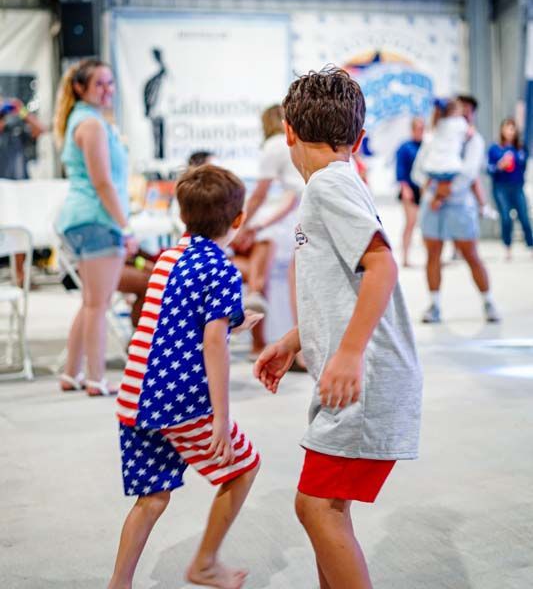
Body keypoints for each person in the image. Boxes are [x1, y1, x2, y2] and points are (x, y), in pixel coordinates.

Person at [254, 68, 422, 589]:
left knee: (316, 508)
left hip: (363, 381)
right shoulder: (343, 180)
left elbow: (382, 266)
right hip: (359, 378)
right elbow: (340, 287)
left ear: (287, 133)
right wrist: (291, 340)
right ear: (361, 138)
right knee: (329, 507)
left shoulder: (327, 185)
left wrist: (348, 354)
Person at [110, 166, 261, 589]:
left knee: (153, 497)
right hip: (179, 399)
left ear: (183, 217)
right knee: (244, 467)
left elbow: (176, 320)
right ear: (237, 220)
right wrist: (219, 418)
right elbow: (212, 344)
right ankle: (206, 563)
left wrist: (231, 323)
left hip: (136, 393)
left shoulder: (169, 258)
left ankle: (118, 584)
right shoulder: (223, 269)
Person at [53, 59, 137, 396]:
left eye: (110, 83)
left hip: (82, 219)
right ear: (80, 87)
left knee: (90, 302)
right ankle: (96, 378)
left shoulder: (83, 121)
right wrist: (125, 227)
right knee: (98, 304)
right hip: (97, 219)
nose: (107, 90)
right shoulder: (92, 125)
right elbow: (102, 182)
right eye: (99, 84)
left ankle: (72, 373)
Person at [413, 94, 500, 324]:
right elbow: (419, 170)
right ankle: (434, 304)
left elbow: (468, 174)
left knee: (470, 254)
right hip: (432, 205)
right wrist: (433, 189)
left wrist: (441, 193)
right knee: (432, 253)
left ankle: (488, 301)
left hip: (459, 205)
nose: (464, 114)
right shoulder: (432, 138)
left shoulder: (474, 141)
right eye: (461, 109)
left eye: (469, 111)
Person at [232, 104, 304, 356]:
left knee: (294, 275)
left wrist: (244, 225)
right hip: (302, 215)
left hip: (298, 219)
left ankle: (299, 348)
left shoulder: (273, 147)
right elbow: (290, 198)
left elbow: (259, 195)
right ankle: (255, 291)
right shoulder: (295, 145)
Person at [0, 96, 46, 284]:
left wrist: (22, 111)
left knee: (21, 231)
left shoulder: (15, 130)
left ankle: (20, 274)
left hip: (19, 187)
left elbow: (40, 130)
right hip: (2, 187)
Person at [488, 118, 533, 259]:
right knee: (506, 217)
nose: (510, 131)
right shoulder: (495, 149)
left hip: (517, 187)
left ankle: (531, 244)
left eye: (512, 128)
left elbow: (523, 167)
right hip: (501, 188)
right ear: (502, 130)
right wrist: (500, 166)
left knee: (524, 217)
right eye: (507, 128)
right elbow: (489, 169)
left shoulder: (520, 148)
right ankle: (507, 247)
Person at [395, 117, 424, 267]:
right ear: (412, 129)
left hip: (424, 189)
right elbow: (400, 170)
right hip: (410, 189)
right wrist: (405, 188)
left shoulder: (427, 145)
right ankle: (405, 257)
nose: (420, 131)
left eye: (422, 128)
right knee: (410, 222)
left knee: (425, 224)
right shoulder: (405, 147)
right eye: (417, 128)